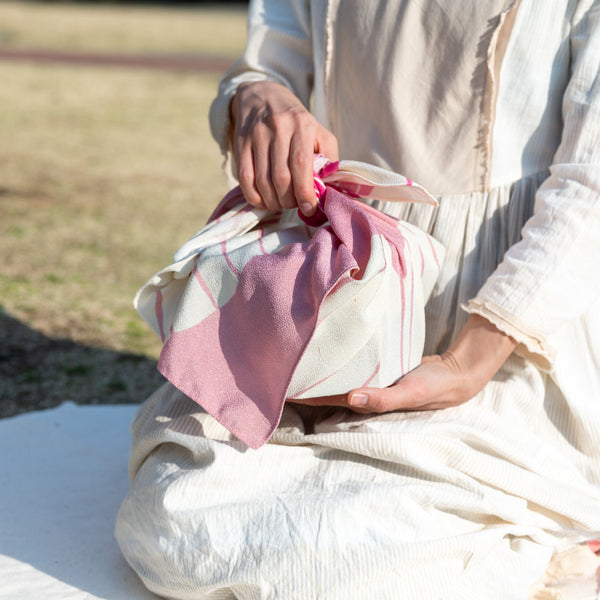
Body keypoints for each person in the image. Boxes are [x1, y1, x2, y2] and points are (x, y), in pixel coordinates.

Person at [115, 1, 600, 598]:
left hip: (506, 323)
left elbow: (590, 181)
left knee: (363, 550)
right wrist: (262, 100)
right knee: (175, 511)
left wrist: (466, 362)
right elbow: (263, 67)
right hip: (329, 290)